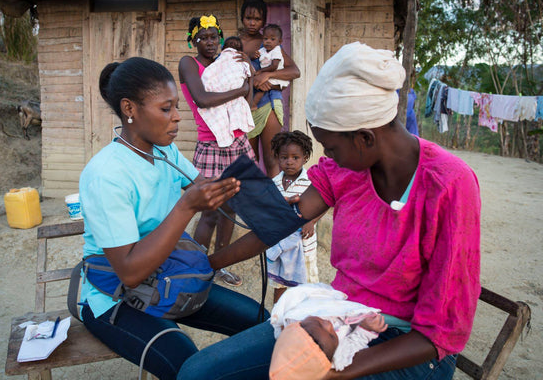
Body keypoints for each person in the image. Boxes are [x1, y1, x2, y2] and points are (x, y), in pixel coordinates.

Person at [176, 42, 481, 380]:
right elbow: (281, 221)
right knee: (198, 372)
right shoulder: (347, 169)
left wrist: (334, 373)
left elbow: (439, 335)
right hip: (338, 317)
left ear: (365, 137)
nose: (327, 157)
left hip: (408, 348)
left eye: (331, 147)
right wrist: (206, 265)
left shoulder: (448, 185)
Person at [79, 56, 267, 380]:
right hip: (115, 295)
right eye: (166, 109)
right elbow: (130, 272)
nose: (178, 117)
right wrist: (186, 207)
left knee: (261, 322)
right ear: (130, 109)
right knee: (189, 368)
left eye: (176, 107)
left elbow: (202, 187)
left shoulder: (164, 151)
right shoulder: (106, 174)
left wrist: (256, 192)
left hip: (168, 273)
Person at [179, 15, 254, 287]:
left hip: (237, 141)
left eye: (214, 37)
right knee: (210, 210)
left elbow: (248, 100)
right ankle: (197, 269)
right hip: (212, 144)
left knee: (231, 207)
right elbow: (202, 99)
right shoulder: (189, 63)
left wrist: (249, 73)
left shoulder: (225, 63)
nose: (210, 42)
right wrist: (241, 88)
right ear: (193, 40)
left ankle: (220, 266)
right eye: (204, 37)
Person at [269, 283, 389, 380]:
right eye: (332, 336)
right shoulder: (338, 358)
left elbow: (296, 299)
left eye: (319, 323)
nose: (329, 325)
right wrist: (366, 329)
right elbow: (354, 343)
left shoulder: (297, 320)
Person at [239, 0, 301, 178]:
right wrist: (251, 82)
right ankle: (252, 200)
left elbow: (294, 71)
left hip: (269, 103)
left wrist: (268, 75)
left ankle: (273, 201)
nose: (252, 22)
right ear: (241, 18)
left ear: (263, 21)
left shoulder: (269, 42)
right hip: (244, 104)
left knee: (271, 157)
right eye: (248, 18)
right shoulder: (235, 43)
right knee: (249, 158)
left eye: (257, 19)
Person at [267, 131, 321, 303]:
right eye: (284, 157)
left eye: (295, 157)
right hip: (281, 245)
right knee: (280, 284)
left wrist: (311, 221)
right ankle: (278, 316)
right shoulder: (274, 182)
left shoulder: (311, 181)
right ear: (277, 158)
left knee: (305, 288)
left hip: (304, 245)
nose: (289, 161)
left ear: (305, 158)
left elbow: (324, 203)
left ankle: (304, 320)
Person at [197, 35, 255, 149]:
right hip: (212, 140)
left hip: (238, 138)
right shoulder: (218, 63)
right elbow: (246, 99)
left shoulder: (235, 62)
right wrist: (244, 86)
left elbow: (247, 102)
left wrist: (250, 71)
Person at [251, 24, 289, 110]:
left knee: (262, 88)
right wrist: (253, 56)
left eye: (272, 39)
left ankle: (253, 104)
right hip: (268, 74)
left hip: (276, 75)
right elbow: (256, 56)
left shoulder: (276, 50)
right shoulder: (263, 49)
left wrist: (261, 71)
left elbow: (274, 66)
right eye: (265, 39)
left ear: (279, 42)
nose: (268, 41)